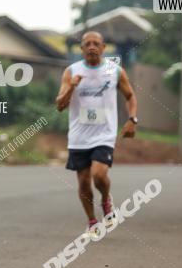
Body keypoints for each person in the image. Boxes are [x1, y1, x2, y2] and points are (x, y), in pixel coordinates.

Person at [55, 32, 138, 238]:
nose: (92, 46)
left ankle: (106, 200)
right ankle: (92, 221)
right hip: (78, 137)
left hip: (104, 134)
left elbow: (130, 96)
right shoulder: (71, 72)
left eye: (96, 44)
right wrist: (71, 87)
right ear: (81, 49)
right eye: (87, 44)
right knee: (83, 182)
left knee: (98, 175)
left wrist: (132, 119)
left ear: (103, 48)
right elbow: (59, 105)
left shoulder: (115, 71)